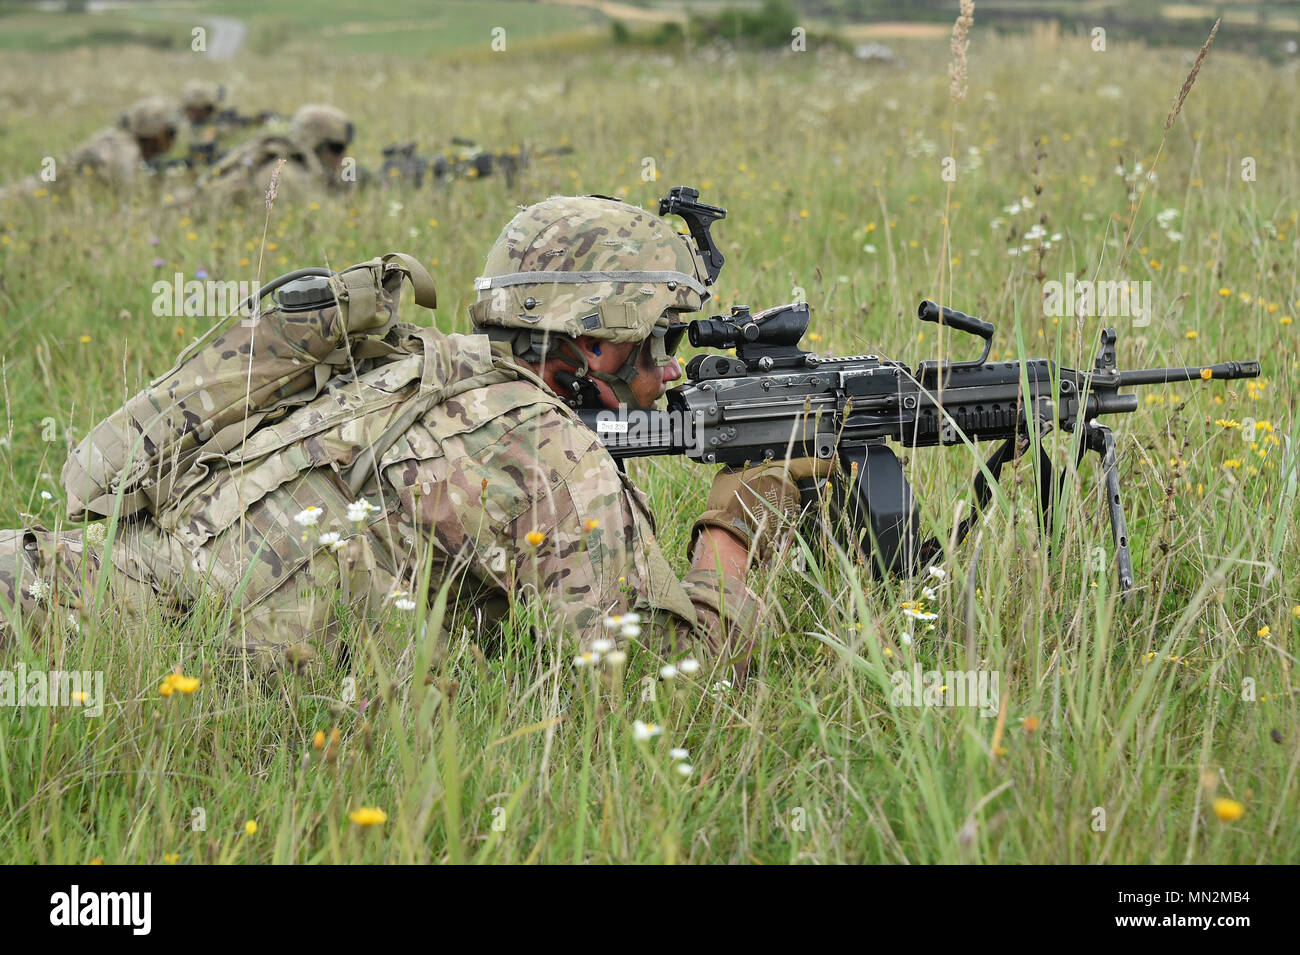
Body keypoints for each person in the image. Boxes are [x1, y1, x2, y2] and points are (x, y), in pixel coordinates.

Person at [0, 193, 821, 681]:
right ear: (597, 340)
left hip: (71, 578)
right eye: (661, 341)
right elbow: (660, 685)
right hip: (130, 639)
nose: (672, 370)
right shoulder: (550, 455)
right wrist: (741, 519)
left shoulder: (419, 359)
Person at [0, 96, 181, 201]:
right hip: (34, 196)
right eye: (169, 133)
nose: (172, 140)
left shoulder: (118, 138)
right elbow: (129, 200)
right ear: (153, 133)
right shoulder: (126, 151)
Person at [189, 103, 354, 204]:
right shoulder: (286, 175)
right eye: (336, 148)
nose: (342, 157)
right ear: (314, 146)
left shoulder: (299, 170)